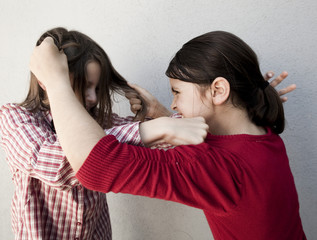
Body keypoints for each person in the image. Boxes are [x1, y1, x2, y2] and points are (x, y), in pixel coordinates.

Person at [29, 30, 306, 240]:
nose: (173, 105)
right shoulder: (265, 134)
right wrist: (159, 114)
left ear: (219, 90)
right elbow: (209, 149)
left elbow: (96, 167)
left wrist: (55, 81)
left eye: (177, 92)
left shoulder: (217, 168)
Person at [0, 27, 208, 240]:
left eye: (98, 89)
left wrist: (158, 114)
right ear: (48, 82)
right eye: (84, 86)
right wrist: (146, 129)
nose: (93, 99)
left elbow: (180, 141)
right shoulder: (15, 118)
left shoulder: (98, 121)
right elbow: (55, 164)